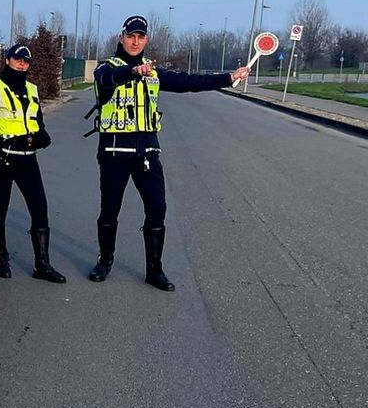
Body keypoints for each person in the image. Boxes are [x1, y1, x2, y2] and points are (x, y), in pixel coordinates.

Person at [85, 15, 250, 290]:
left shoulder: (154, 73)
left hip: (147, 153)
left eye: (140, 37)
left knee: (157, 208)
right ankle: (105, 261)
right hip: (114, 152)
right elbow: (108, 79)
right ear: (121, 38)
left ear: (146, 39)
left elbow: (188, 82)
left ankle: (154, 270)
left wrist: (229, 78)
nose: (135, 41)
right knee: (110, 209)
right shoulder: (106, 68)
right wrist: (132, 71)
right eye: (130, 36)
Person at [0, 43, 66, 283]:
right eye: (17, 59)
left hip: (28, 159)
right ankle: (1, 258)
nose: (21, 64)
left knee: (40, 208)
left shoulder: (32, 90)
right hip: (3, 158)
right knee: (0, 210)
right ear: (7, 60)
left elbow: (38, 123)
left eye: (25, 61)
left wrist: (41, 137)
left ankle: (42, 265)